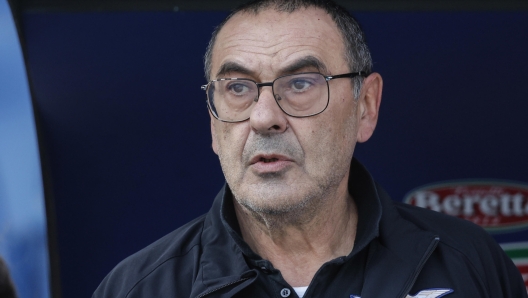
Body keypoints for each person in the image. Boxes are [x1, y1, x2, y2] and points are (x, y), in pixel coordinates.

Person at [93, 0, 526, 297]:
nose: (264, 117)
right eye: (238, 88)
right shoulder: (139, 287)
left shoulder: (466, 265)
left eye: (301, 84)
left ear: (366, 107)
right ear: (213, 122)